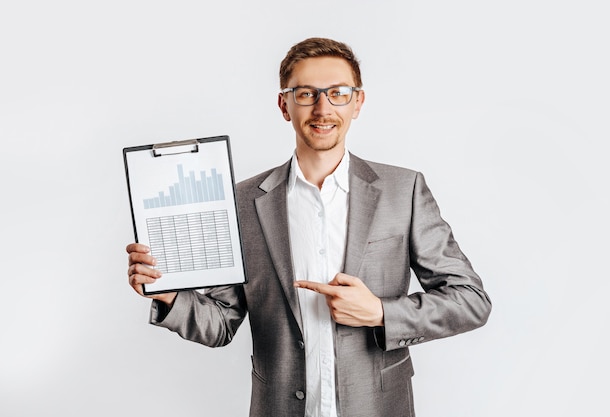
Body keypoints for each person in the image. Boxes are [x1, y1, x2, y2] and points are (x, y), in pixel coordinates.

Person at [126, 37, 491, 417]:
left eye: (337, 93)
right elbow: (220, 323)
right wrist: (167, 292)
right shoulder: (241, 202)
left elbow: (470, 301)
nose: (322, 108)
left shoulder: (404, 190)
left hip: (377, 407)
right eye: (305, 94)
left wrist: (382, 313)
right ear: (284, 105)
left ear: (357, 103)